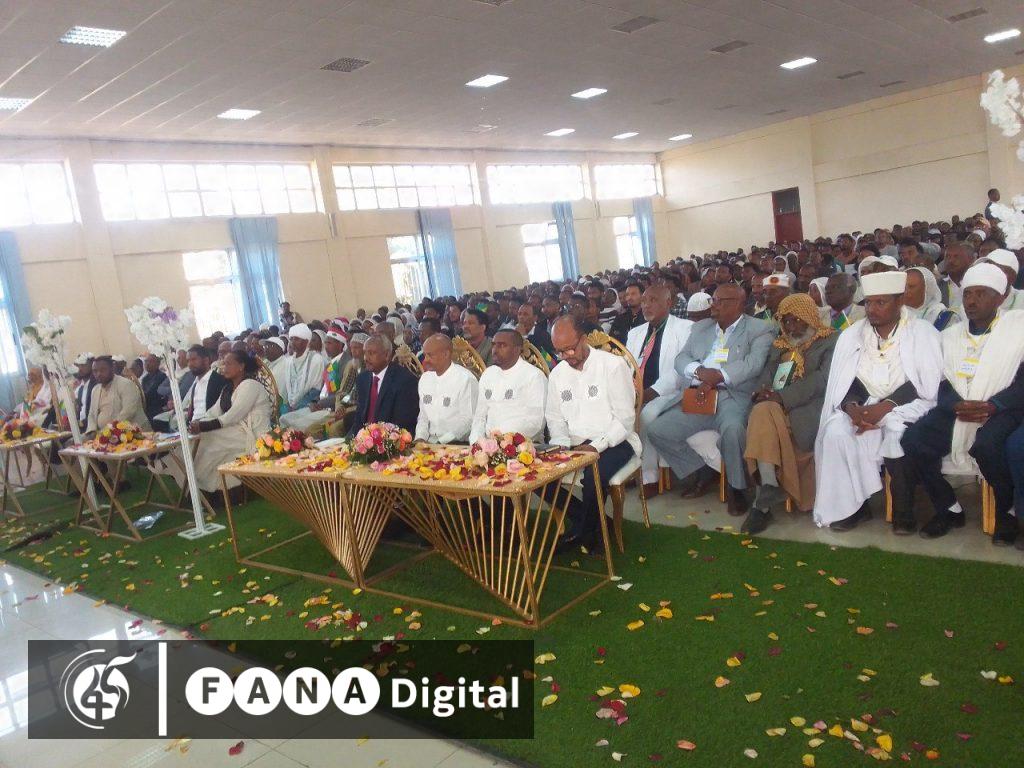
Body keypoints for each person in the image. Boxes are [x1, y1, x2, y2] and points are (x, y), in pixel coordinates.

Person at [893, 263, 1024, 542]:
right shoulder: (950, 335)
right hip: (957, 407)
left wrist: (993, 405)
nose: (972, 301)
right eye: (967, 294)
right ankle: (948, 508)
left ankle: (1007, 513)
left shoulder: (1017, 329)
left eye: (981, 294)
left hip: (1003, 408)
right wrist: (955, 405)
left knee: (988, 446)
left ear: (1000, 298)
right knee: (914, 440)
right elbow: (939, 379)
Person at [813, 271, 942, 531]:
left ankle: (903, 512)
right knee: (835, 432)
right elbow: (846, 381)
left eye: (880, 302)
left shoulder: (921, 332)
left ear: (899, 301)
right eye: (869, 302)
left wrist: (884, 408)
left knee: (898, 432)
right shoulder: (852, 335)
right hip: (863, 405)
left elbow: (926, 383)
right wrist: (852, 409)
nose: (872, 309)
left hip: (909, 404)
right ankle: (854, 508)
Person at [647, 284, 776, 514]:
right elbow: (681, 359)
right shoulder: (701, 328)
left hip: (733, 396)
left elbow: (753, 364)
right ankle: (702, 471)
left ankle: (737, 488)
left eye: (718, 301)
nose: (712, 305)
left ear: (738, 304)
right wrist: (698, 371)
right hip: (699, 395)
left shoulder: (760, 328)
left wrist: (719, 376)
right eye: (712, 300)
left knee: (733, 431)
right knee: (658, 430)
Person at [741, 294, 838, 533]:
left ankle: (764, 499)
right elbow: (767, 375)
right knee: (762, 409)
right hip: (775, 408)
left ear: (809, 316)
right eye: (786, 321)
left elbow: (822, 380)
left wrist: (782, 397)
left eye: (796, 320)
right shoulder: (780, 344)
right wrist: (762, 392)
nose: (791, 327)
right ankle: (766, 492)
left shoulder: (830, 340)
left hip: (810, 409)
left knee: (762, 414)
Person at [546, 315, 640, 554]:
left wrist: (597, 446)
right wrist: (560, 445)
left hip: (615, 441)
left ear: (584, 339)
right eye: (559, 352)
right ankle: (596, 524)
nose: (566, 356)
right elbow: (554, 418)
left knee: (594, 475)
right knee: (538, 475)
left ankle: (581, 531)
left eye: (570, 349)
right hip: (574, 443)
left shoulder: (613, 366)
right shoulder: (557, 374)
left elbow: (625, 419)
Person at [625, 285, 694, 494]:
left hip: (669, 392)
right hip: (637, 391)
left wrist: (651, 392)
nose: (646, 305)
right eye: (644, 301)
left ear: (669, 302)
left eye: (653, 300)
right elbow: (626, 365)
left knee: (647, 415)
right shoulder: (635, 333)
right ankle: (629, 469)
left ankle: (649, 478)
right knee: (619, 413)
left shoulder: (685, 328)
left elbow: (680, 369)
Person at [188, 350, 274, 500]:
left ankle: (202, 485)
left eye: (228, 364)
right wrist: (198, 423)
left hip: (253, 435)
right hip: (236, 430)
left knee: (208, 439)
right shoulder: (227, 389)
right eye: (223, 364)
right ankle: (197, 483)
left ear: (241, 366)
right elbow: (213, 412)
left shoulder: (251, 385)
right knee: (200, 439)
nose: (224, 367)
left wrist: (203, 427)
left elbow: (232, 416)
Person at [470, 329, 547, 443]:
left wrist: (505, 440)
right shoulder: (488, 374)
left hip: (523, 445)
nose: (495, 350)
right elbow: (479, 416)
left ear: (517, 349)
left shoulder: (534, 376)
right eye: (493, 345)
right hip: (489, 445)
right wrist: (477, 442)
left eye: (502, 345)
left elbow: (536, 423)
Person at [347, 334, 419, 436]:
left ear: (387, 355)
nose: (366, 358)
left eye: (371, 353)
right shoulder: (362, 378)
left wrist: (376, 439)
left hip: (389, 438)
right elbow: (359, 416)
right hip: (363, 438)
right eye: (365, 353)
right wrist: (354, 439)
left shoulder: (404, 381)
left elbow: (402, 423)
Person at [281, 331, 349, 433]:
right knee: (284, 419)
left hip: (331, 408)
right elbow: (323, 390)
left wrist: (320, 403)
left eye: (329, 343)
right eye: (325, 343)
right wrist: (313, 402)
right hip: (319, 405)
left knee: (297, 425)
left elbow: (343, 393)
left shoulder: (346, 363)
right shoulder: (330, 363)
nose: (326, 346)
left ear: (341, 345)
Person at [415, 335, 478, 444]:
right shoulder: (425, 378)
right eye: (425, 355)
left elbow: (468, 421)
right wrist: (420, 438)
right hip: (428, 443)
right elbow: (423, 416)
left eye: (430, 355)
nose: (426, 360)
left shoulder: (465, 379)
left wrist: (441, 442)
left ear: (446, 354)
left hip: (456, 444)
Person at [85, 356, 151, 434]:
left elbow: (128, 412)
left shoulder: (125, 384)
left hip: (133, 433)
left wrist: (108, 430)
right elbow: (92, 414)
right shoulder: (95, 390)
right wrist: (92, 431)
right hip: (104, 434)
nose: (98, 374)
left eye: (103, 370)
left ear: (112, 368)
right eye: (95, 371)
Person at [281, 323, 326, 413]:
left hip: (310, 404)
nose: (292, 342)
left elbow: (316, 389)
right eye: (291, 339)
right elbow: (287, 389)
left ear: (306, 342)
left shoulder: (316, 359)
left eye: (296, 339)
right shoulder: (288, 362)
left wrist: (298, 406)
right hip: (291, 405)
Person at [939, 240, 975, 310]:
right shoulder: (938, 286)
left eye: (956, 257)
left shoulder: (978, 285)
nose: (951, 261)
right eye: (947, 256)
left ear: (971, 260)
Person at [139, 354, 169, 422]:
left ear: (157, 364)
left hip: (158, 410)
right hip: (148, 409)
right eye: (146, 361)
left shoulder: (161, 376)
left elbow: (150, 393)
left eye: (150, 361)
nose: (147, 364)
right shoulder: (145, 379)